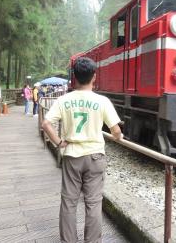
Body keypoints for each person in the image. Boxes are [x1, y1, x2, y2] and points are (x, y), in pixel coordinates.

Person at [42, 57, 122, 243]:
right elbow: (116, 130)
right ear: (94, 77)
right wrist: (118, 137)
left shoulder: (64, 100)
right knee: (93, 203)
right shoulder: (102, 101)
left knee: (69, 203)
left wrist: (59, 142)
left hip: (72, 156)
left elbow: (46, 124)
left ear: (75, 78)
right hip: (95, 157)